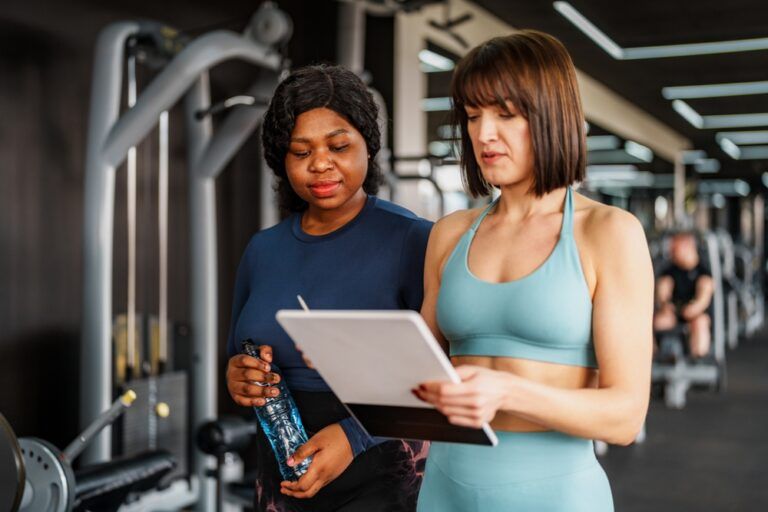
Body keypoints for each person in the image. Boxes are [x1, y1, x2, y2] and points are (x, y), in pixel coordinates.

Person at [412, 31, 654, 511]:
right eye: (473, 115)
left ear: (550, 116)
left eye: (505, 114)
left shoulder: (608, 232)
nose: (483, 134)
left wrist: (508, 390)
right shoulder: (449, 233)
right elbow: (419, 370)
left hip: (555, 493)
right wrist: (353, 357)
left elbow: (625, 417)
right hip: (444, 487)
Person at [225, 65, 431, 512]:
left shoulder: (413, 239)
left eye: (338, 147)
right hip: (282, 473)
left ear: (367, 145)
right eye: (301, 152)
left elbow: (443, 375)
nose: (320, 163)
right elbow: (236, 356)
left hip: (382, 473)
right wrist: (238, 376)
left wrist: (354, 437)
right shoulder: (263, 250)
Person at [653, 232, 714, 358]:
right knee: (658, 321)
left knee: (700, 322)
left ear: (687, 246)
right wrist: (664, 303)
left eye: (675, 248)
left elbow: (704, 297)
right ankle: (658, 357)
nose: (671, 252)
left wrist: (694, 308)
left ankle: (698, 359)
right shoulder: (670, 271)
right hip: (674, 312)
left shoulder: (703, 271)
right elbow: (663, 292)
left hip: (696, 314)